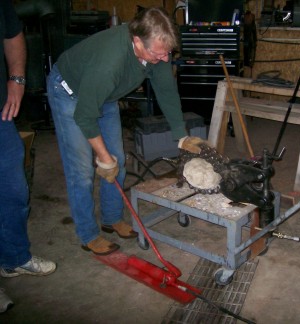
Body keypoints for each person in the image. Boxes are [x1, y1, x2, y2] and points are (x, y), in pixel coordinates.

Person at [46, 7, 187, 256]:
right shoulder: (110, 62)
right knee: (83, 171)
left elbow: (165, 89)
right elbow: (85, 115)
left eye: (167, 53)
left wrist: (182, 135)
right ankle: (88, 234)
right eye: (159, 53)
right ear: (136, 41)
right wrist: (102, 156)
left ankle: (111, 219)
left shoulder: (157, 49)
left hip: (106, 94)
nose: (165, 59)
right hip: (69, 92)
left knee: (118, 161)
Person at [0, 0, 57, 312]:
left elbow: (12, 34)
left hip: (0, 114)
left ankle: (14, 259)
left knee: (13, 189)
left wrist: (17, 77)